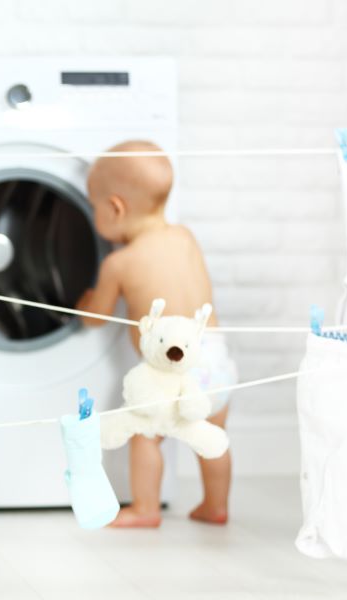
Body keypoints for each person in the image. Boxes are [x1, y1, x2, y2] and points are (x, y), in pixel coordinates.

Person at [75, 140, 237, 527]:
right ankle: (215, 505)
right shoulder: (184, 238)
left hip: (173, 373)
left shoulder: (119, 262)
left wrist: (83, 304)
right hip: (216, 360)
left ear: (115, 208)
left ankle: (146, 509)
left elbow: (97, 317)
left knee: (145, 436)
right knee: (211, 436)